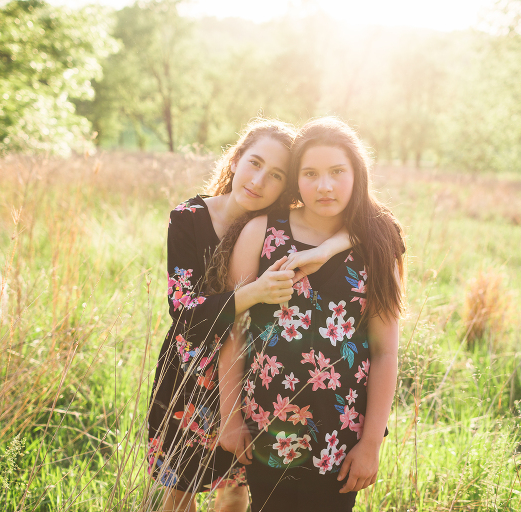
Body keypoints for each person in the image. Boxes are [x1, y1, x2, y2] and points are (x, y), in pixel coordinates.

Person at [147, 118, 352, 512]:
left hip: (252, 377)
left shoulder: (274, 227)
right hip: (190, 376)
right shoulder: (189, 219)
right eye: (254, 163)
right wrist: (253, 292)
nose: (259, 181)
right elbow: (184, 312)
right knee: (179, 491)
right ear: (237, 158)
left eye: (275, 175)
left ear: (286, 186)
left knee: (238, 488)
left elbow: (380, 228)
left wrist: (328, 248)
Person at [217, 117, 405, 512]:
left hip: (342, 434)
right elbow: (232, 328)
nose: (325, 186)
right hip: (265, 424)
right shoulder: (263, 232)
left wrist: (371, 444)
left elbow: (385, 351)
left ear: (357, 174)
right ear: (296, 180)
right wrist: (230, 416)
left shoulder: (376, 244)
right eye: (311, 173)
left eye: (338, 172)